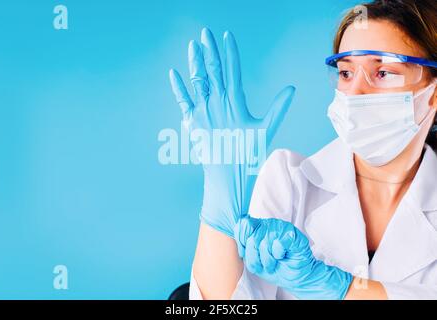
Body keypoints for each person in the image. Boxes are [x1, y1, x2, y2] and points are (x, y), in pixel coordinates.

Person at [169, 0, 437, 300]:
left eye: (383, 73)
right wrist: (218, 208)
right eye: (346, 73)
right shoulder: (289, 180)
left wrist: (339, 288)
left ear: (433, 93)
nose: (355, 93)